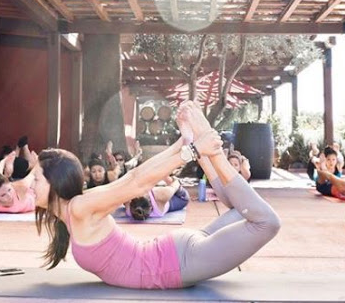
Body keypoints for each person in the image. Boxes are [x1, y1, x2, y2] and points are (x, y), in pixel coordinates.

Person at [31, 100, 281, 289]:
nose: (30, 184)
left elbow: (137, 181)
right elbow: (134, 177)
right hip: (176, 254)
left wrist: (193, 150)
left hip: (178, 263)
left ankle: (214, 154)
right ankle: (207, 152)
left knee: (267, 222)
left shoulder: (79, 207)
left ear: (55, 184)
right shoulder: (73, 210)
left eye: (36, 179)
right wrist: (185, 145)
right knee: (243, 208)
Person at [126, 175, 190, 220]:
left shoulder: (129, 207)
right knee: (170, 180)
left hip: (161, 196)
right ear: (151, 207)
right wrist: (170, 177)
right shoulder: (160, 195)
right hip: (179, 199)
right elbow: (176, 183)